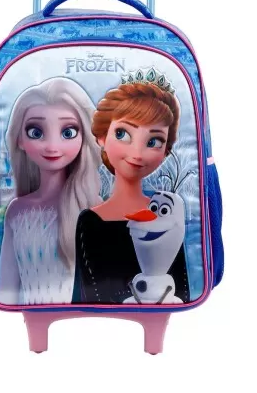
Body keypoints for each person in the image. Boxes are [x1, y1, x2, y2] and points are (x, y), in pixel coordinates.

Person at [72, 68, 190, 304]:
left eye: (154, 141)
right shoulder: (90, 222)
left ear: (166, 151)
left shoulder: (167, 215)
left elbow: (180, 290)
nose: (137, 153)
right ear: (101, 138)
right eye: (122, 134)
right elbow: (84, 293)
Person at [0, 77, 101, 305]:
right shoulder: (17, 211)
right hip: (29, 313)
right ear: (19, 140)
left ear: (85, 136)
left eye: (68, 132)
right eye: (36, 132)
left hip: (89, 315)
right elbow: (7, 291)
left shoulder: (95, 209)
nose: (52, 146)